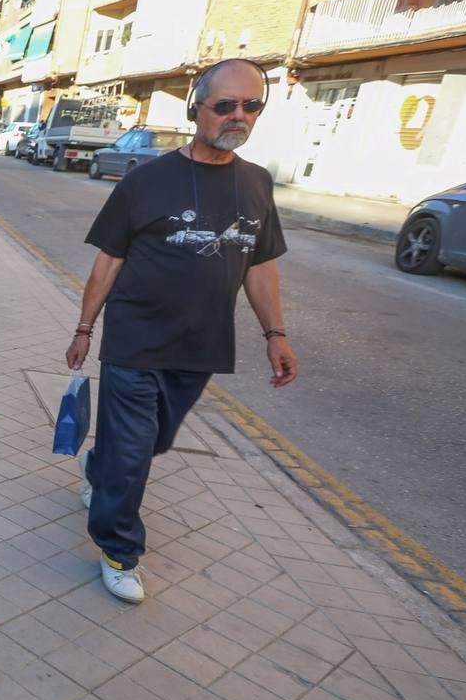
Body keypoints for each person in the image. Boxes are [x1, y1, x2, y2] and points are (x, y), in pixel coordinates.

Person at [66, 58, 299, 604]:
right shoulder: (146, 180)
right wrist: (83, 329)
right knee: (132, 451)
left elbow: (261, 265)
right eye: (225, 105)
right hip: (134, 339)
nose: (238, 115)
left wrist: (276, 334)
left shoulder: (257, 184)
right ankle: (119, 549)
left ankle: (96, 466)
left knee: (150, 444)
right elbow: (108, 262)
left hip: (201, 345)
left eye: (251, 105)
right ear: (197, 108)